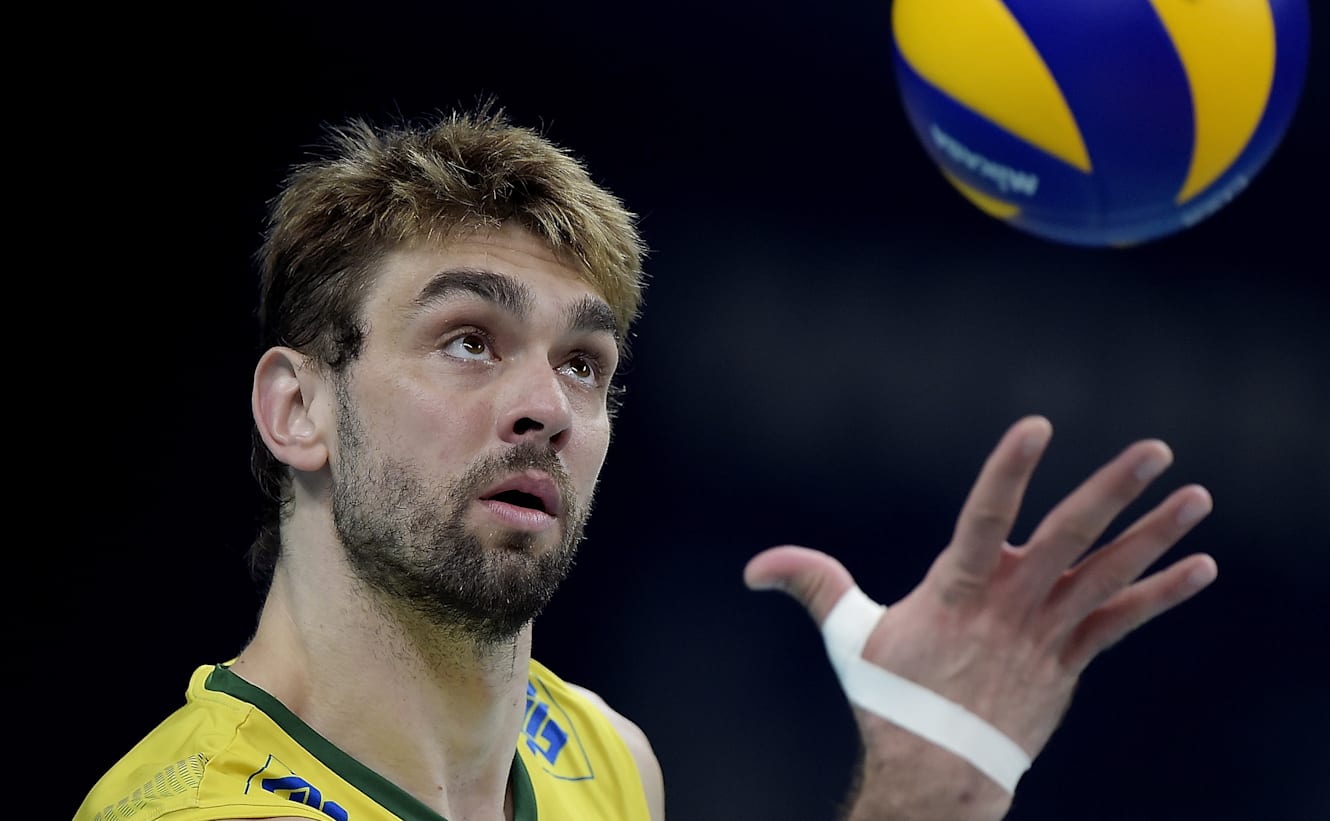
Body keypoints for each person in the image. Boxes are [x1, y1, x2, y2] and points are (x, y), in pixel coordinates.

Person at [76, 100, 1217, 821]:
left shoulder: (604, 757)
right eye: (468, 339)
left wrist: (934, 779)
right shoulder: (197, 810)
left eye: (583, 362)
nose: (546, 406)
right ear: (298, 407)